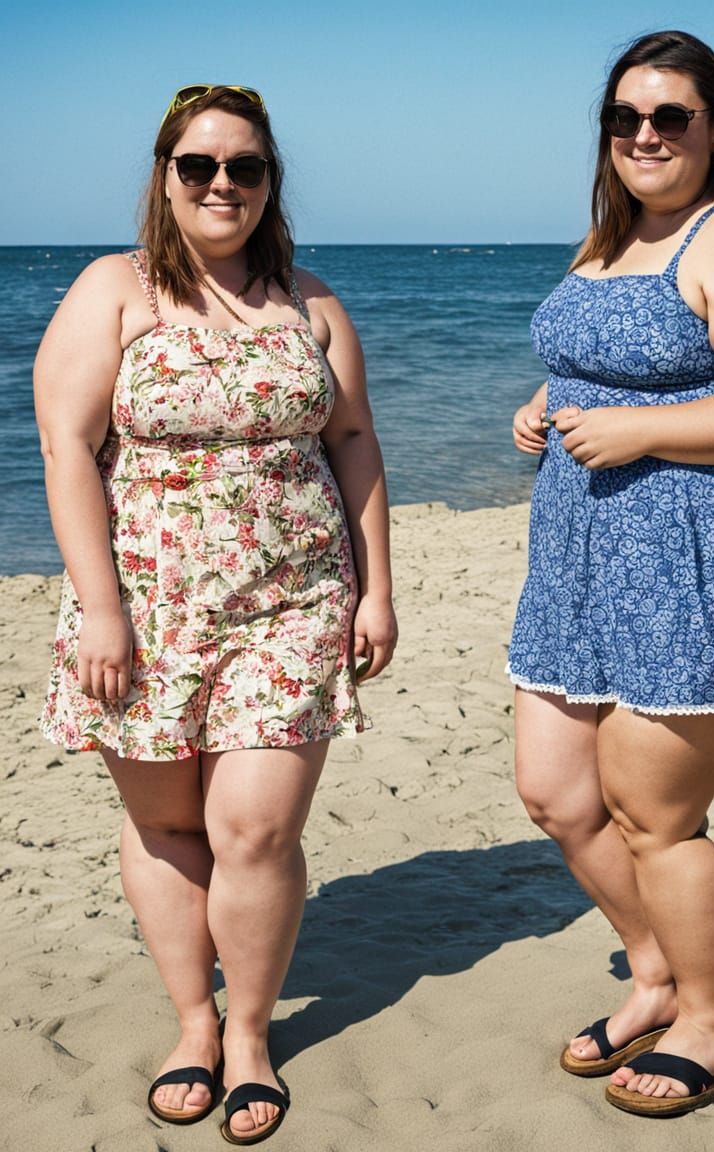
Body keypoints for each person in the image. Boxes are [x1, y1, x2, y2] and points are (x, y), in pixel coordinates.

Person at [36, 84, 397, 1144]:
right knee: (166, 824)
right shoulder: (116, 290)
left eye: (245, 167)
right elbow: (65, 449)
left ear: (270, 181)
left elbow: (356, 443)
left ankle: (246, 1034)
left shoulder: (311, 302)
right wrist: (101, 608)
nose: (222, 185)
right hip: (145, 605)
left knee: (254, 827)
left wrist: (378, 589)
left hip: (293, 602)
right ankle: (189, 1022)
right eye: (199, 166)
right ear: (165, 177)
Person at [508, 31, 714, 1117]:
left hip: (690, 551)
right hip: (577, 553)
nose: (642, 135)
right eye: (623, 117)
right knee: (557, 794)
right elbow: (587, 370)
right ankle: (654, 973)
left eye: (668, 117)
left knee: (654, 814)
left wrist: (638, 434)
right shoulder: (612, 238)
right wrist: (544, 411)